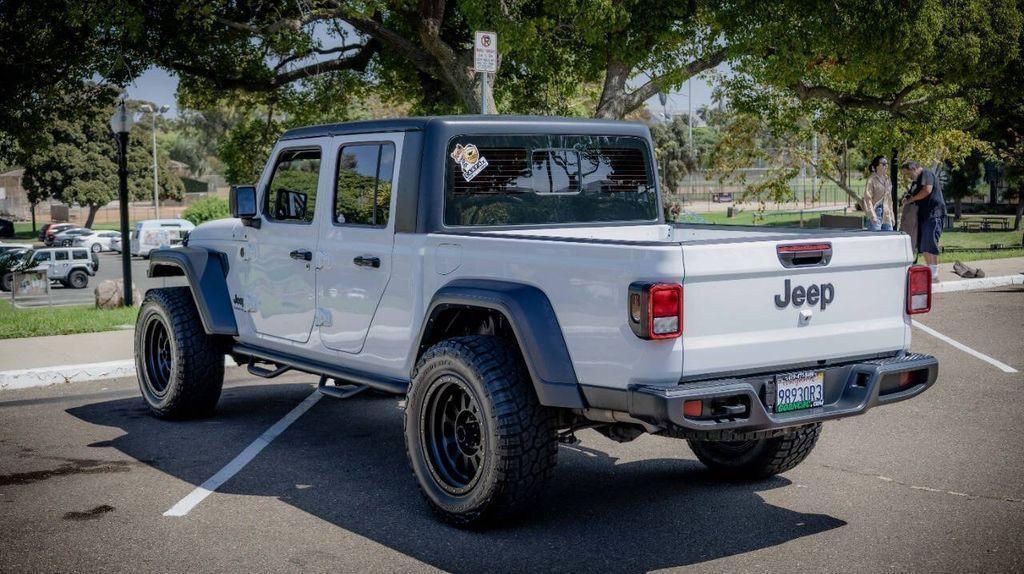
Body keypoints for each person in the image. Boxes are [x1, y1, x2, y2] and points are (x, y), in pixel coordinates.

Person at [901, 161, 946, 281]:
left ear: (913, 168)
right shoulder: (916, 181)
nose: (908, 177)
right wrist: (907, 197)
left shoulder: (926, 174)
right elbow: (911, 194)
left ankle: (934, 274)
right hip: (924, 215)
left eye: (908, 174)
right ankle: (931, 273)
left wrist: (911, 200)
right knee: (924, 245)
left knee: (930, 243)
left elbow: (927, 190)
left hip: (934, 214)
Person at [863, 156, 894, 231]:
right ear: (877, 166)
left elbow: (889, 199)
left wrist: (892, 215)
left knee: (889, 239)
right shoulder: (871, 179)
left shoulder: (888, 179)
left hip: (887, 215)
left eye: (887, 164)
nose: (886, 166)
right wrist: (872, 214)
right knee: (876, 240)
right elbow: (867, 198)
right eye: (883, 164)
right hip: (876, 213)